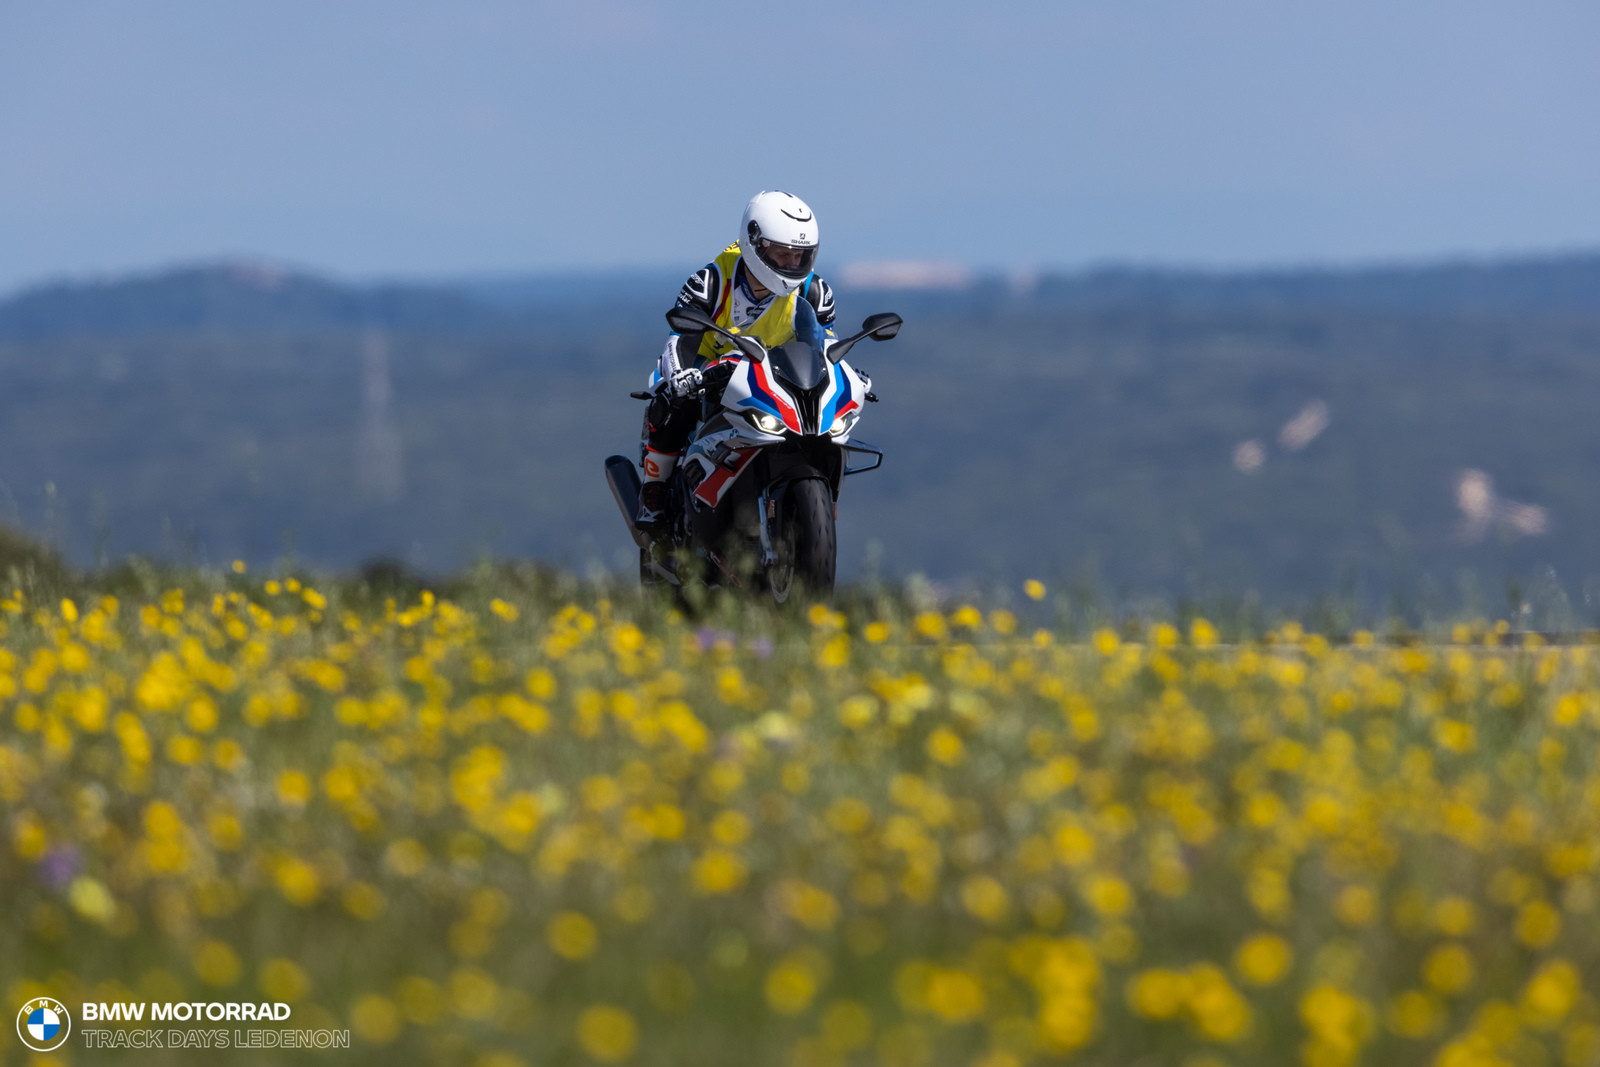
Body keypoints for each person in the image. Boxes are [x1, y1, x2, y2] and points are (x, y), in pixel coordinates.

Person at [635, 190, 837, 530]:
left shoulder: (815, 292)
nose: (791, 264)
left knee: (822, 424)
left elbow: (825, 347)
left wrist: (848, 376)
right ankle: (654, 490)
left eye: (800, 256)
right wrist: (683, 377)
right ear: (754, 243)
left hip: (777, 374)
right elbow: (679, 341)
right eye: (782, 253)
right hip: (711, 369)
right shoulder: (710, 282)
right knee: (672, 403)